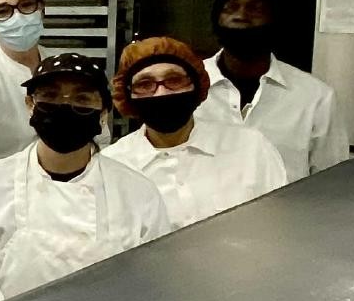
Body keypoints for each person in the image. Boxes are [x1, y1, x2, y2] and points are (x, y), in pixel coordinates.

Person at [0, 52, 171, 296]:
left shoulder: (137, 194)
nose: (65, 106)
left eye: (82, 99)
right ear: (30, 105)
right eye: (50, 96)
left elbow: (153, 287)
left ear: (103, 113)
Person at [103, 36, 287, 230]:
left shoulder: (250, 148)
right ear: (127, 95)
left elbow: (279, 228)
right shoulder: (112, 167)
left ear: (197, 84)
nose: (161, 93)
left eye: (174, 80)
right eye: (145, 84)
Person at [0, 0, 106, 184]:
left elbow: (100, 137)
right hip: (10, 197)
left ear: (41, 10)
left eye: (26, 5)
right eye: (3, 11)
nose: (17, 16)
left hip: (77, 186)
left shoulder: (64, 68)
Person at [199, 0, 349, 180]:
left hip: (287, 212)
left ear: (275, 20)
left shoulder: (315, 97)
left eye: (255, 8)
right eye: (230, 7)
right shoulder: (183, 87)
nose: (241, 15)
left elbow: (331, 181)